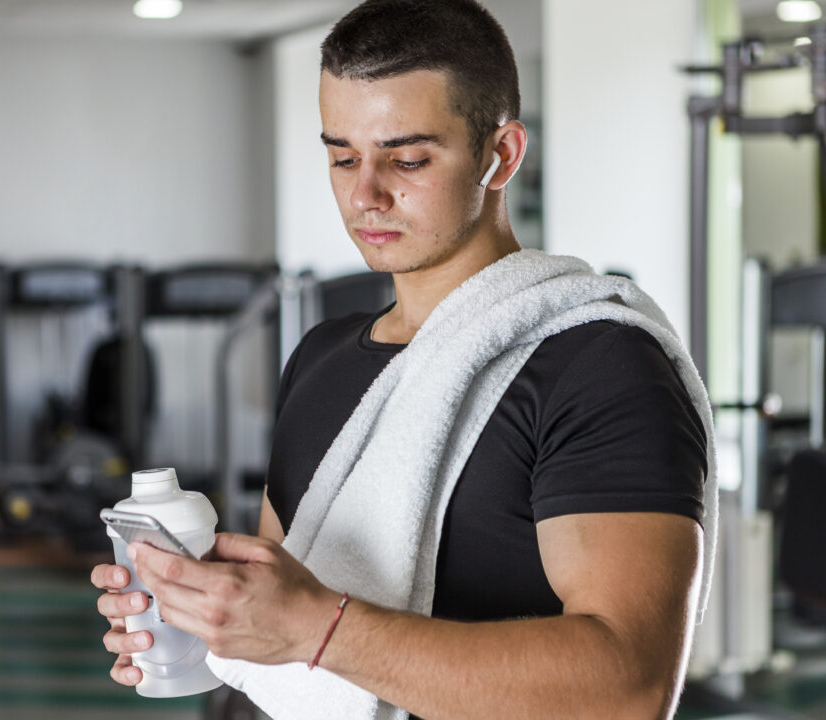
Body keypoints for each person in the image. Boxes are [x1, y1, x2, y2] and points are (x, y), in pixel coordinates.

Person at [91, 1, 710, 718]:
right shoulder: (319, 358)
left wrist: (319, 628)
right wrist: (203, 621)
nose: (365, 195)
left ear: (501, 154)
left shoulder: (599, 366)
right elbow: (285, 634)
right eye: (342, 157)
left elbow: (627, 689)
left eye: (408, 158)